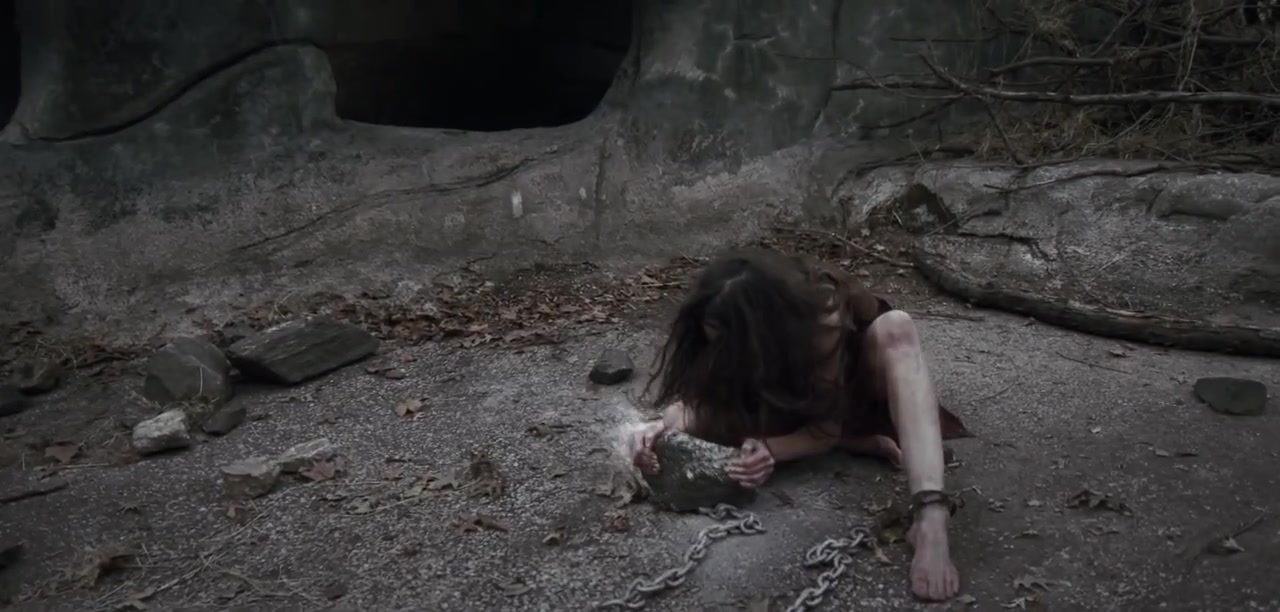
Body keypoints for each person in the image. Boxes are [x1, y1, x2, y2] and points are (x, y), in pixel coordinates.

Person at [626, 248, 971, 602]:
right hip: (784, 400)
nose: (722, 352)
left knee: (897, 327)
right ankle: (858, 442)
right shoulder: (723, 329)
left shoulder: (823, 316)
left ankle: (931, 516)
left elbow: (824, 430)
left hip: (854, 398)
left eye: (733, 344)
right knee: (695, 419)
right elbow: (699, 404)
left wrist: (771, 449)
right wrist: (658, 430)